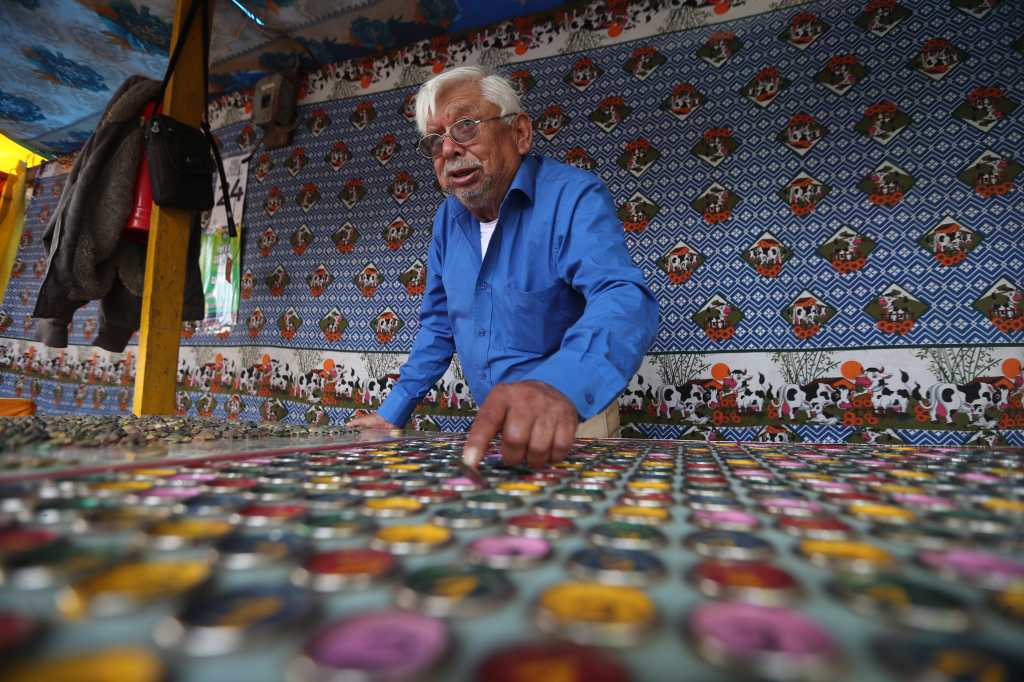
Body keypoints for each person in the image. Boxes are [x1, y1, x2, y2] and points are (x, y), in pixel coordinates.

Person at [348, 66, 658, 469]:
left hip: (572, 418)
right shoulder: (448, 219)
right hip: (495, 427)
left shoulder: (573, 196)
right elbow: (439, 326)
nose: (449, 150)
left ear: (520, 133)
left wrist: (559, 386)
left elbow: (622, 296)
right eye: (434, 141)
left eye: (465, 127)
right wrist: (392, 412)